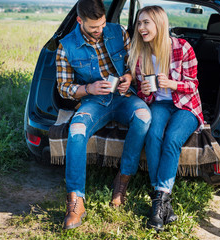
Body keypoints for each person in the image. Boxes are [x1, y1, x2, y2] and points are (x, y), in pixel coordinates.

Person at [56, 0, 151, 230]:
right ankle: (76, 201)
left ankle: (122, 180)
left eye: (102, 24)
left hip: (123, 96)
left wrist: (129, 78)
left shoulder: (117, 31)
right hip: (93, 101)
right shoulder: (65, 46)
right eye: (93, 28)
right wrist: (89, 89)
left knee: (144, 116)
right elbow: (63, 87)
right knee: (76, 129)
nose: (100, 31)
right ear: (80, 21)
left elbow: (133, 65)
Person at [128, 6, 205, 231]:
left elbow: (193, 85)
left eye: (146, 23)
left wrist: (172, 84)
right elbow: (145, 95)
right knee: (153, 135)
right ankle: (161, 201)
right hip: (160, 104)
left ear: (159, 24)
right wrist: (144, 90)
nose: (141, 28)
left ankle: (159, 201)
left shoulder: (183, 48)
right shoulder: (140, 53)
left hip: (186, 105)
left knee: (172, 138)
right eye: (139, 23)